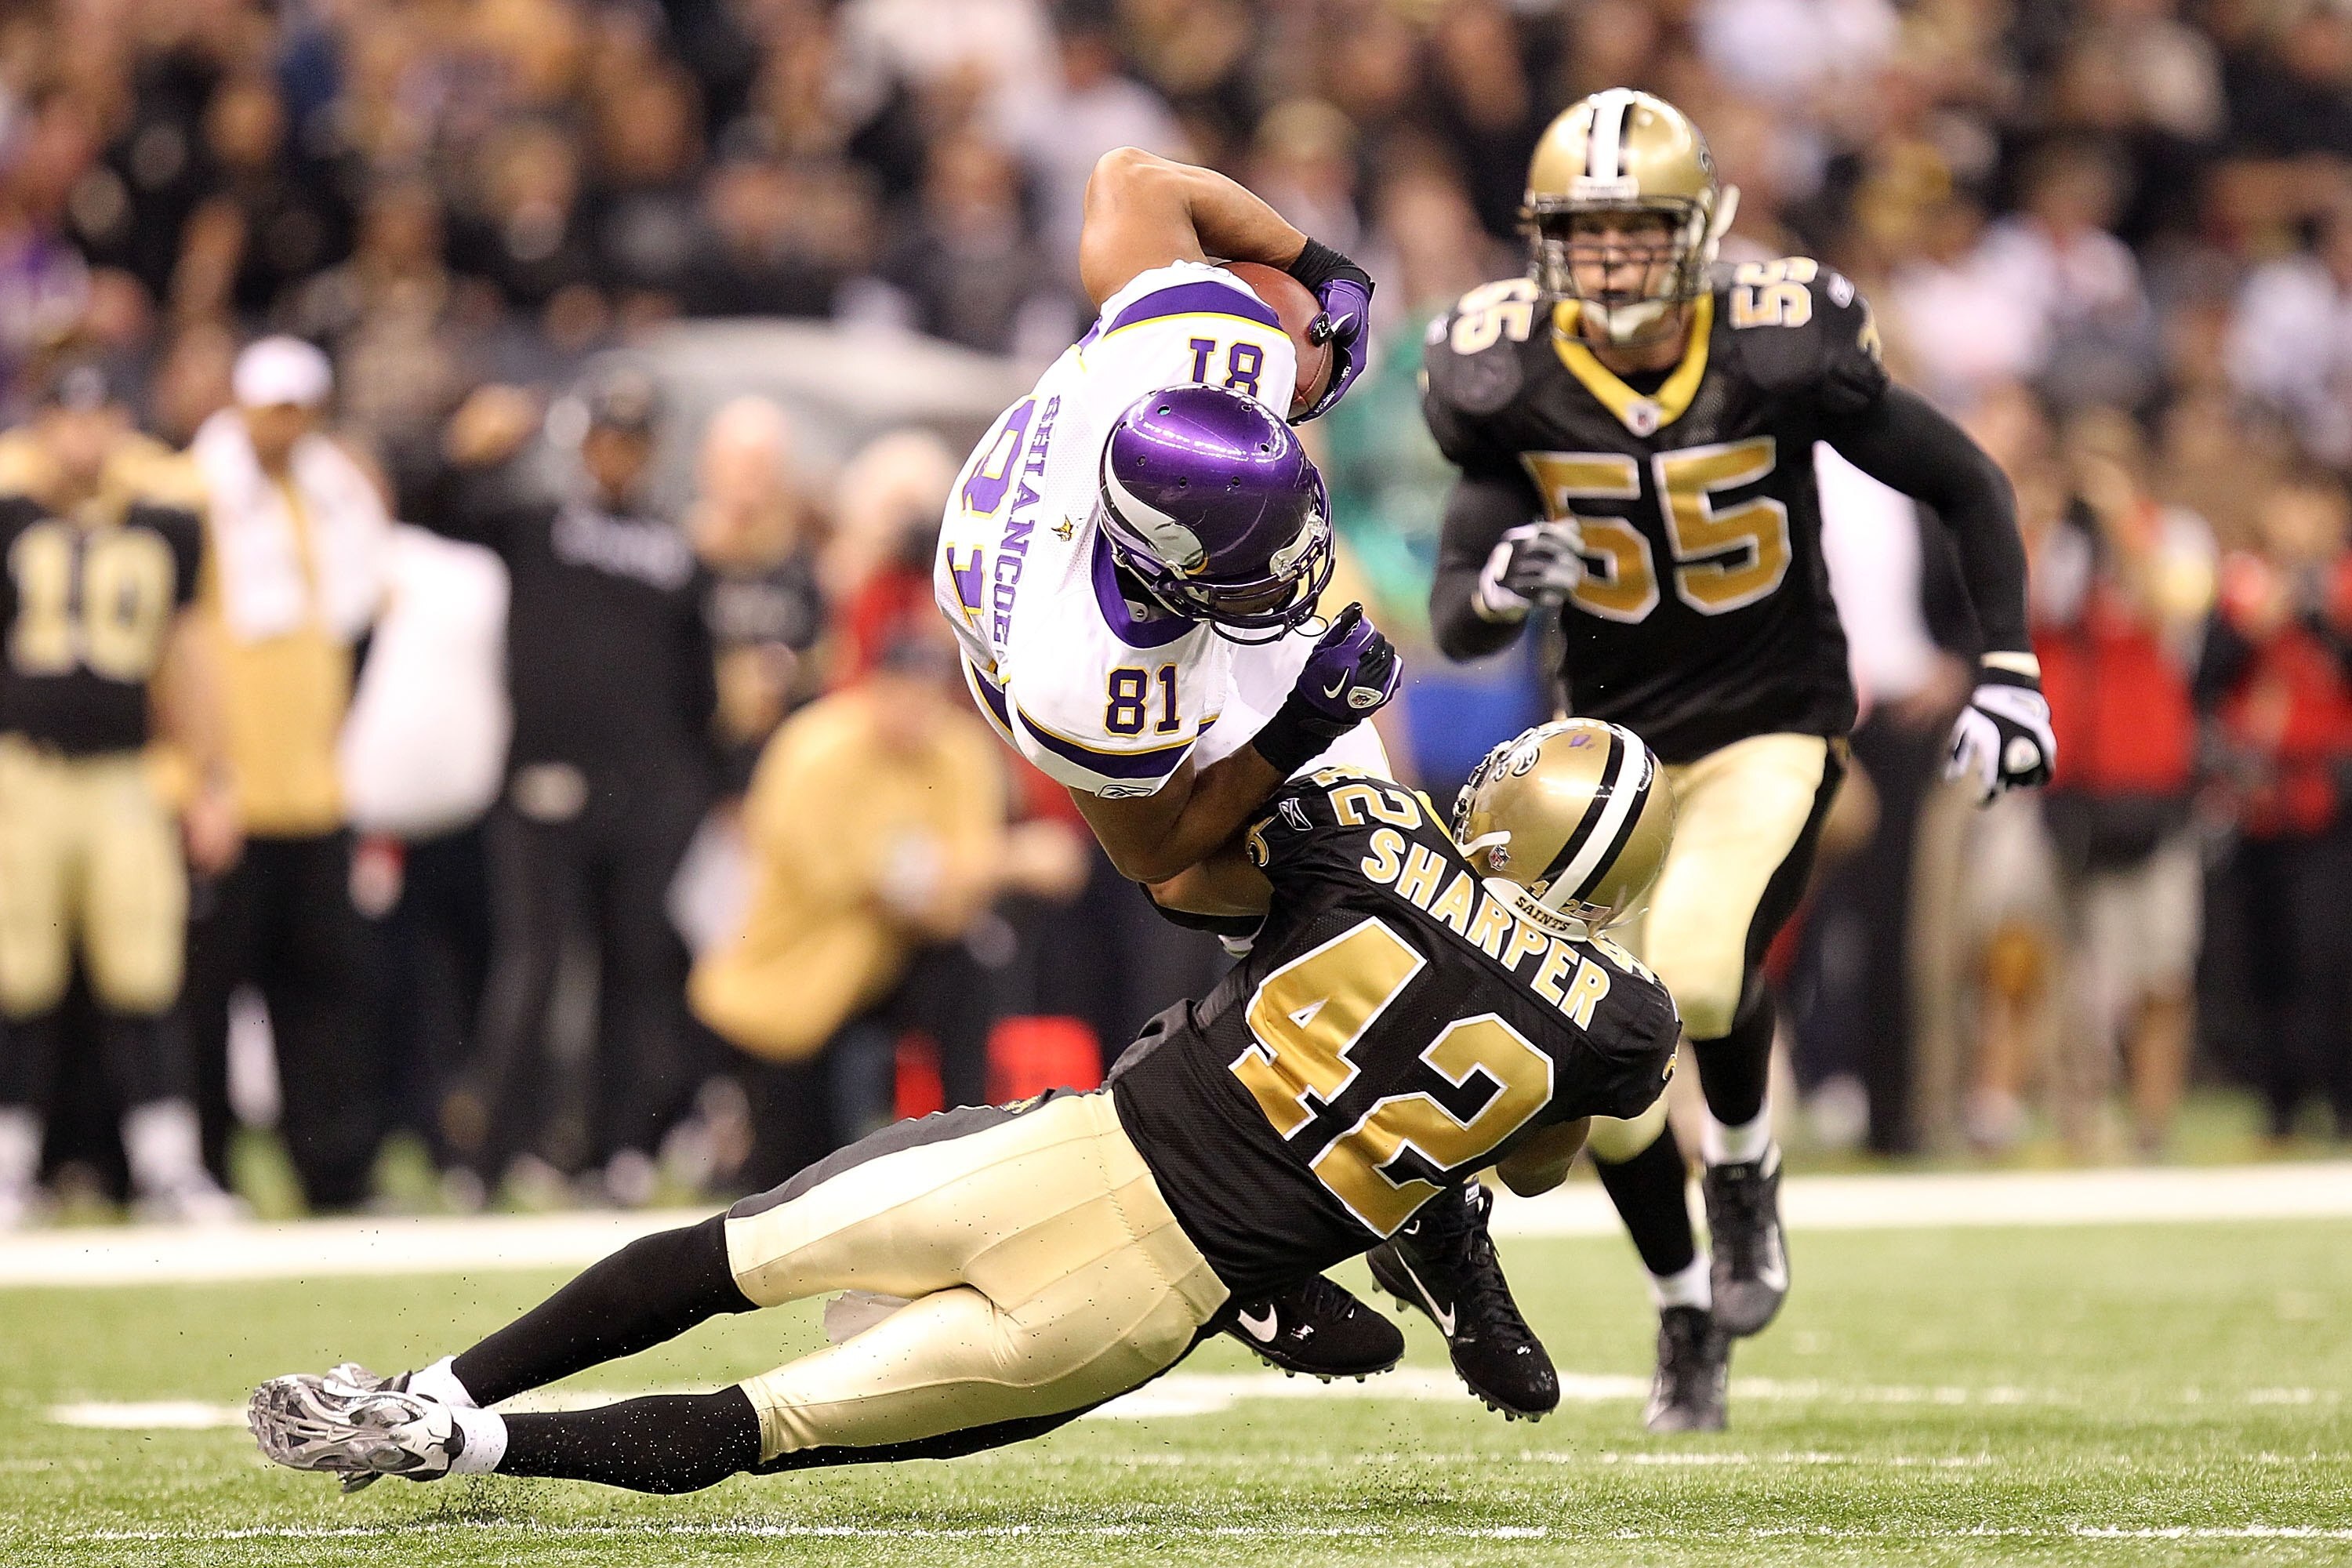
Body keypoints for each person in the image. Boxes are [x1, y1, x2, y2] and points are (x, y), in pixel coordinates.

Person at [247, 719, 1681, 1494]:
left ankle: (441, 1388)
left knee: (730, 1257)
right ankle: (466, 1448)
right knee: (772, 1425)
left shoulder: (1374, 832)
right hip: (1137, 1306)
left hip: (1071, 1155)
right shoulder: (1623, 1020)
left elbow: (1188, 878)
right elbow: (1540, 1157)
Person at [1422, 90, 2045, 1430]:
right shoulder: (1507, 371)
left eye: (1638, 230)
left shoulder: (1775, 345)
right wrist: (1498, 586)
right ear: (1545, 242)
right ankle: (1683, 1309)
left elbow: (1968, 481)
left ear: (1699, 232)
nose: (1611, 261)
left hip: (1774, 718)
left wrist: (2009, 665)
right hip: (1608, 767)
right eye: (1585, 235)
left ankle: (1750, 1169)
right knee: (1609, 1084)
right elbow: (1458, 610)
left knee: (1700, 971)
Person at [935, 143, 1555, 1408]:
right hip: (1060, 671)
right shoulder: (1085, 666)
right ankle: (1255, 1244)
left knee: (1397, 879)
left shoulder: (1210, 349)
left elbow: (1131, 179)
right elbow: (1157, 852)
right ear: (1172, 573)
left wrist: (1315, 264)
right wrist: (1291, 730)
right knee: (1282, 898)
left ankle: (1408, 1218)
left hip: (1163, 588)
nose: (1302, 569)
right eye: (1263, 572)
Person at [416, 362, 719, 1207]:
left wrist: (696, 791)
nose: (618, 455)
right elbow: (432, 510)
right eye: (606, 438)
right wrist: (464, 451)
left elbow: (698, 688)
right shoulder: (537, 523)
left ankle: (615, 1152)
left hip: (648, 795)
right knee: (537, 967)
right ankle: (488, 1159)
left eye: (633, 440)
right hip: (544, 783)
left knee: (635, 969)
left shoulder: (678, 550)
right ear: (583, 444)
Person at [690, 613, 1085, 1188]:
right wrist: (1011, 858)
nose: (913, 709)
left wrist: (945, 879)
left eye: (926, 694)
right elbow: (865, 882)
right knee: (792, 1170)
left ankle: (967, 1154)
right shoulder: (815, 750)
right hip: (804, 968)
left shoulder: (960, 750)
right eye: (900, 691)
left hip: (896, 954)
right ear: (871, 686)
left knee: (975, 961)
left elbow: (948, 904)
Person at [0, 353, 242, 1227]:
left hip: (124, 776)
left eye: (97, 417)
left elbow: (188, 656)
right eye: (66, 417)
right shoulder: (10, 515)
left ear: (121, 428)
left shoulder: (165, 521)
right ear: (40, 426)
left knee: (143, 972)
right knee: (15, 975)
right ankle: (9, 1168)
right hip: (22, 772)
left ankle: (167, 1168)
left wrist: (212, 779)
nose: (81, 436)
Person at [184, 336, 394, 1213]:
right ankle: (201, 1171)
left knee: (326, 994)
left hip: (315, 791)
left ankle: (334, 1176)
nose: (284, 425)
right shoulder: (194, 495)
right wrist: (201, 775)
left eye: (297, 409)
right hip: (229, 790)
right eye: (271, 408)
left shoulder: (333, 495)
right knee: (203, 996)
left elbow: (359, 616)